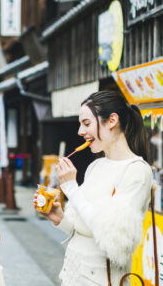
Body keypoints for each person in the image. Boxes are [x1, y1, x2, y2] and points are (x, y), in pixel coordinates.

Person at [34, 91, 153, 285]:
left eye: (87, 123)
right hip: (73, 276)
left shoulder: (137, 171)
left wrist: (71, 188)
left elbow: (112, 240)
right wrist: (59, 218)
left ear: (112, 120)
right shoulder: (95, 166)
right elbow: (82, 230)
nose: (81, 131)